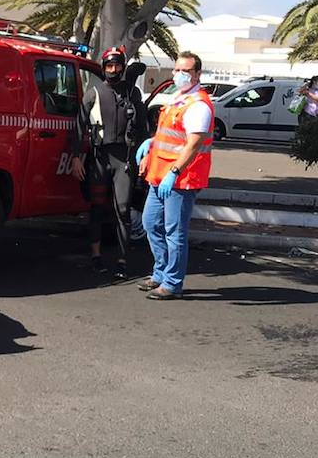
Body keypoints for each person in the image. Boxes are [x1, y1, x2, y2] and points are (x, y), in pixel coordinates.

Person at [136, 52, 214, 299]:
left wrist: (174, 172)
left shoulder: (198, 105)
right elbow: (171, 134)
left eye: (185, 71)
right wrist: (151, 144)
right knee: (150, 224)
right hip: (159, 175)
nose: (178, 75)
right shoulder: (178, 98)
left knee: (175, 232)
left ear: (197, 74)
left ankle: (172, 283)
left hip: (181, 179)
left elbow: (193, 144)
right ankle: (160, 272)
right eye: (176, 69)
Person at [68, 46, 146, 277]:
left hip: (124, 159)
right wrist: (75, 158)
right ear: (104, 68)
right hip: (99, 158)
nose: (113, 70)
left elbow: (142, 129)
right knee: (97, 207)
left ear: (122, 67)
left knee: (123, 208)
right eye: (109, 66)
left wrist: (143, 156)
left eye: (117, 65)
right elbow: (79, 126)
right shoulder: (93, 93)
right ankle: (96, 256)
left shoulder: (132, 93)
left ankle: (122, 260)